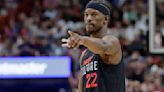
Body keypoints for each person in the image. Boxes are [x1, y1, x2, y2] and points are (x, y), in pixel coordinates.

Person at [62, 0, 125, 92]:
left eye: (94, 14)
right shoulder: (84, 54)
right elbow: (82, 88)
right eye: (86, 15)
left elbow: (103, 47)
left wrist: (82, 39)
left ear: (105, 19)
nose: (88, 18)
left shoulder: (112, 42)